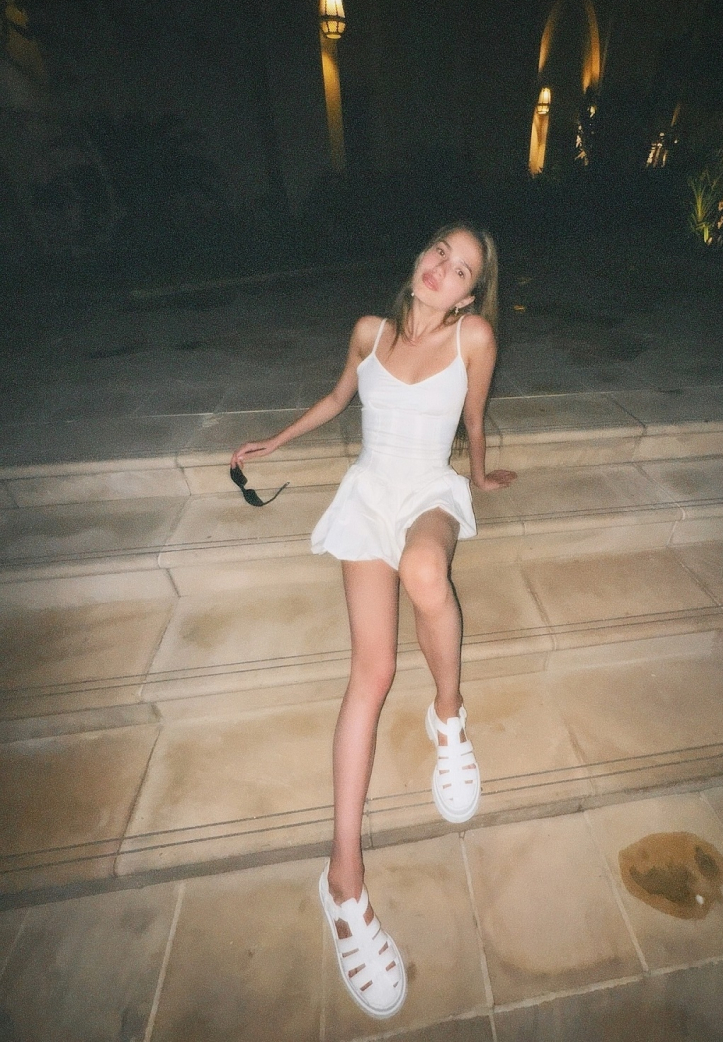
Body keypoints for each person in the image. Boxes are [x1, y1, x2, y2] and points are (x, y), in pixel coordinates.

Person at [231, 224, 515, 1019]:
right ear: (421, 257)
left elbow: (474, 418)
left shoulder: (474, 338)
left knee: (425, 571)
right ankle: (343, 882)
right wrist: (276, 440)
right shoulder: (369, 331)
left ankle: (448, 716)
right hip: (368, 493)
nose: (442, 270)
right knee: (372, 672)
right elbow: (337, 399)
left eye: (461, 269)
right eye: (439, 253)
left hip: (426, 492)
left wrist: (480, 475)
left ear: (469, 295)